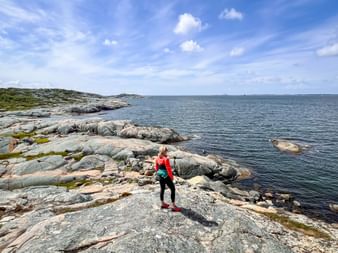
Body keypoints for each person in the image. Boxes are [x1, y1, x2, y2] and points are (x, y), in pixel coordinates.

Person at [154, 145, 181, 212]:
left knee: (162, 188)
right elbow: (168, 169)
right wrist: (171, 177)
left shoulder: (157, 158)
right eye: (167, 151)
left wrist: (159, 172)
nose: (167, 152)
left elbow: (156, 167)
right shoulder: (166, 159)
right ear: (165, 152)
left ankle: (162, 203)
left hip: (160, 175)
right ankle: (173, 206)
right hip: (166, 176)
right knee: (172, 189)